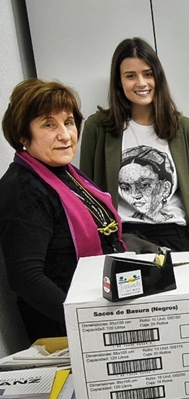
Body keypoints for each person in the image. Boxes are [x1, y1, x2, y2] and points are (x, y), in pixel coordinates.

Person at [0, 79, 126, 340]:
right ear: (23, 135)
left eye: (68, 122)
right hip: (65, 328)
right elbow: (26, 277)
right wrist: (88, 321)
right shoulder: (22, 188)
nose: (65, 135)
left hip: (99, 313)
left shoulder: (67, 173)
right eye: (49, 124)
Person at [80, 37, 189, 281]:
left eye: (148, 74)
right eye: (130, 75)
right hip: (124, 239)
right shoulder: (98, 128)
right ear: (119, 81)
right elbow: (86, 195)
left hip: (176, 238)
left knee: (181, 307)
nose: (141, 83)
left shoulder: (184, 130)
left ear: (158, 77)